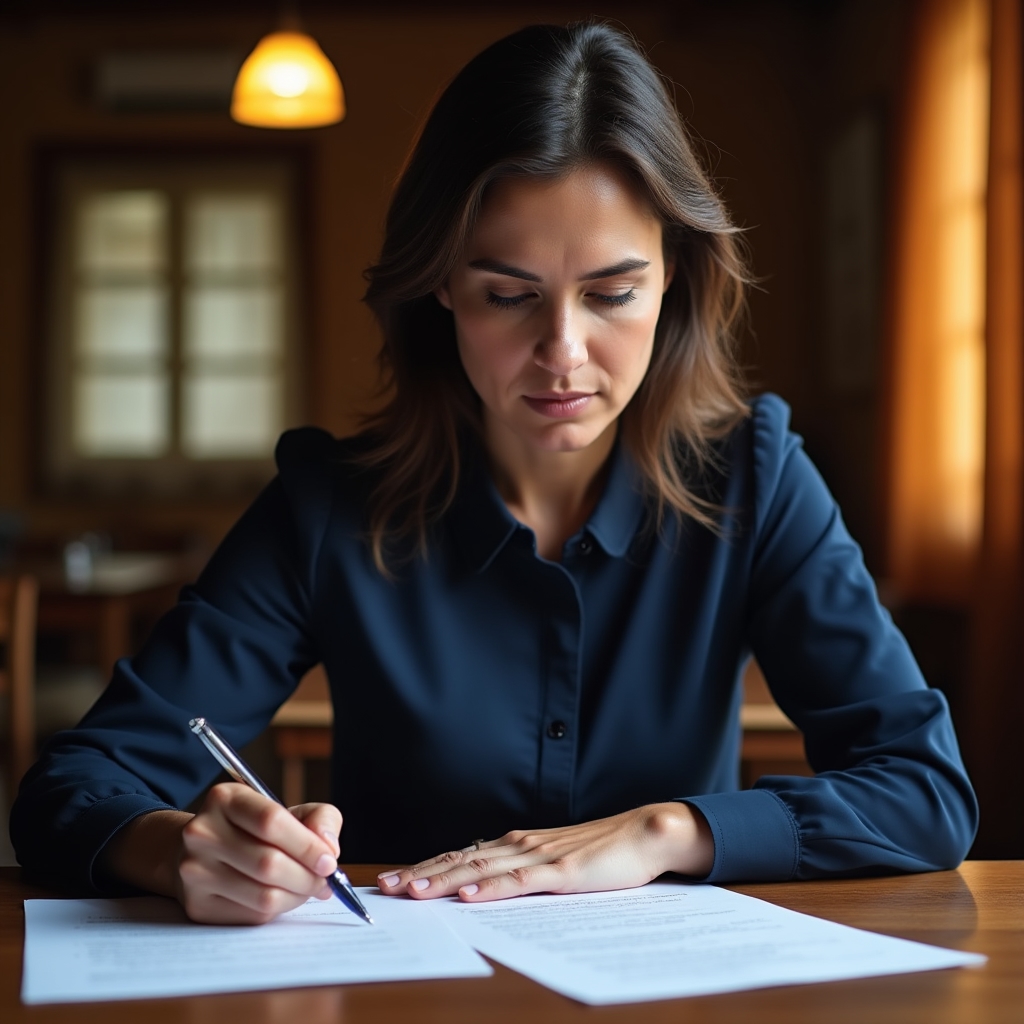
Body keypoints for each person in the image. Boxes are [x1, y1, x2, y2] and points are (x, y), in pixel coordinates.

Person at [11, 22, 977, 925]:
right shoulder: (329, 507)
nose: (563, 352)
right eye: (508, 296)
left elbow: (925, 792)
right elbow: (75, 784)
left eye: (612, 293)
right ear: (441, 286)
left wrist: (667, 830)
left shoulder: (755, 479)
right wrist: (176, 847)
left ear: (674, 274)